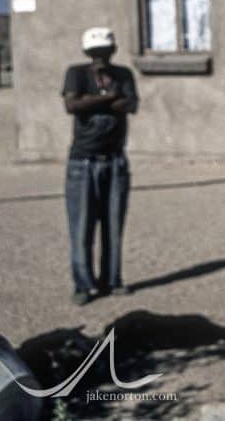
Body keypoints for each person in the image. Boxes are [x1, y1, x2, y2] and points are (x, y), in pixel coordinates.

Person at [61, 27, 138, 305]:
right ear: (87, 54)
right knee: (81, 226)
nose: (100, 59)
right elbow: (71, 106)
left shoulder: (124, 74)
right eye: (95, 54)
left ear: (113, 52)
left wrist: (89, 102)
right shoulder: (76, 73)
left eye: (104, 53)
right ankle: (83, 284)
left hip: (115, 159)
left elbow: (130, 104)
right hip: (83, 161)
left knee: (113, 225)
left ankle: (112, 279)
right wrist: (108, 98)